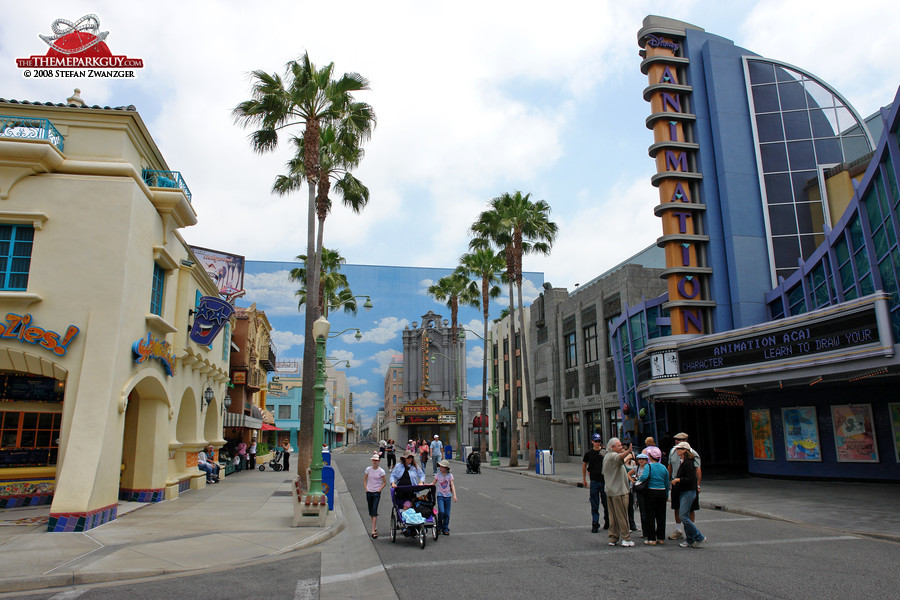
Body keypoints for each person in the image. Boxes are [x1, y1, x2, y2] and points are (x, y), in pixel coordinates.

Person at [667, 432, 702, 540]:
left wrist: (698, 485)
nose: (676, 441)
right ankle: (678, 530)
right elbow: (670, 466)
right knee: (676, 506)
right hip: (676, 484)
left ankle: (692, 532)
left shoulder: (693, 454)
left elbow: (697, 470)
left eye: (679, 440)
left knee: (690, 509)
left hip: (688, 484)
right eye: (676, 439)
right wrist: (668, 480)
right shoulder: (673, 452)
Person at [601, 437, 635, 547]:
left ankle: (613, 537)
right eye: (619, 446)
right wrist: (629, 452)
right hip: (618, 491)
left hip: (611, 491)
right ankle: (625, 537)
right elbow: (619, 457)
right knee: (622, 515)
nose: (621, 447)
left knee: (613, 516)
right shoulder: (613, 456)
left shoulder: (607, 457)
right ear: (612, 447)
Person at [671, 442, 706, 547]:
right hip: (684, 491)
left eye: (679, 449)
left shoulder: (689, 463)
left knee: (683, 516)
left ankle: (698, 536)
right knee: (685, 515)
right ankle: (690, 539)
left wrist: (678, 479)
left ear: (684, 450)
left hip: (688, 491)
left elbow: (690, 479)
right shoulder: (684, 462)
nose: (677, 451)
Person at [637, 446, 669, 545]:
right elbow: (666, 482)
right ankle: (661, 537)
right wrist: (667, 494)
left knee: (650, 515)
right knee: (661, 515)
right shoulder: (663, 467)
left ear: (650, 457)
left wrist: (639, 478)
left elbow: (644, 477)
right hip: (662, 492)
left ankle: (651, 538)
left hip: (651, 491)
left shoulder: (648, 466)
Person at [581, 433, 609, 532]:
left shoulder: (604, 452)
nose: (597, 443)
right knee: (594, 503)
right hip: (594, 481)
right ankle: (595, 522)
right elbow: (584, 465)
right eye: (596, 441)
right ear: (592, 442)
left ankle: (607, 520)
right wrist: (584, 479)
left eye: (599, 441)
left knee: (606, 502)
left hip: (604, 480)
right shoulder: (589, 453)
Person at [431, 459, 458, 535]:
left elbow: (452, 485)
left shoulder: (450, 476)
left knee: (447, 513)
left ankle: (445, 528)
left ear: (446, 468)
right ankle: (439, 527)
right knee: (441, 511)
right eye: (440, 467)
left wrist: (454, 495)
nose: (441, 468)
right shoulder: (438, 475)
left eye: (442, 467)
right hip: (440, 495)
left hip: (448, 496)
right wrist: (426, 485)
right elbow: (433, 483)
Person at [364, 453, 387, 538]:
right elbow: (364, 480)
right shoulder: (368, 469)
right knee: (371, 510)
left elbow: (384, 482)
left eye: (376, 461)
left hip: (376, 492)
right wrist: (366, 489)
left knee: (374, 509)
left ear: (379, 461)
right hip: (369, 491)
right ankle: (375, 526)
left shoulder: (381, 471)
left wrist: (379, 490)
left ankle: (373, 530)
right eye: (374, 460)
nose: (375, 462)